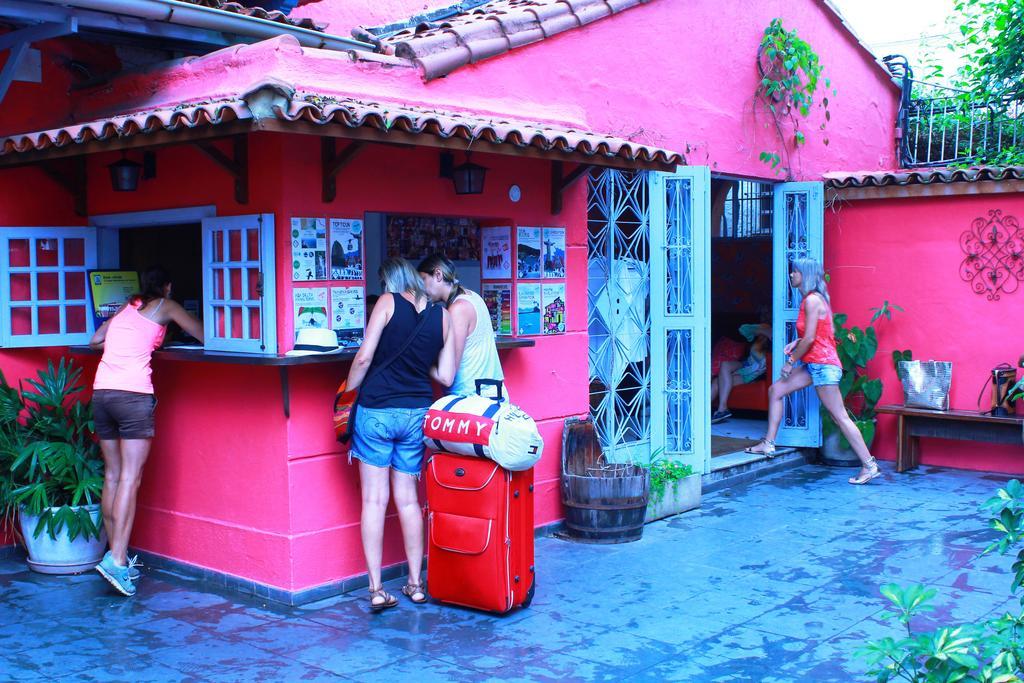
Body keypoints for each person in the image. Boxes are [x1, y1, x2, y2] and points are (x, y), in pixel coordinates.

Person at [346, 258, 456, 611]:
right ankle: (415, 584)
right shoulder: (443, 316)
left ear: (392, 280)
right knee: (408, 500)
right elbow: (446, 375)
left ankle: (377, 589)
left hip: (376, 409)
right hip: (416, 414)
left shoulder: (387, 302)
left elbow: (363, 359)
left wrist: (346, 395)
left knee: (374, 501)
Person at [89, 266, 204, 596]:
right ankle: (119, 559)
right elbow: (205, 335)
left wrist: (124, 347)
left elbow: (95, 340)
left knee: (112, 475)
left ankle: (112, 554)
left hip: (102, 394)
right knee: (130, 478)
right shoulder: (166, 306)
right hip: (132, 396)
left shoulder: (129, 306)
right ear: (167, 286)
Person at [745, 258, 881, 485]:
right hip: (814, 364)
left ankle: (869, 465)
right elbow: (820, 335)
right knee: (776, 390)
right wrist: (797, 342)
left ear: (805, 274)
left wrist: (791, 360)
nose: (791, 275)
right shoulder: (814, 300)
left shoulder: (812, 301)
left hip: (823, 367)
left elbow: (811, 339)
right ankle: (768, 443)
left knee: (840, 417)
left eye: (795, 271)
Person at [417, 254, 505, 399]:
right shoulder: (473, 297)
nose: (421, 289)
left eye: (423, 280)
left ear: (438, 274)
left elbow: (447, 376)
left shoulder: (457, 309)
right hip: (491, 394)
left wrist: (418, 360)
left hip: (472, 400)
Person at [711, 324, 770, 424]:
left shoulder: (778, 337)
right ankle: (720, 409)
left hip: (753, 373)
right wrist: (762, 331)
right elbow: (743, 329)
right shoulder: (761, 333)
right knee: (725, 365)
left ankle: (711, 410)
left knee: (717, 382)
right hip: (745, 365)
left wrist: (770, 334)